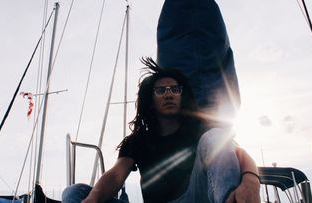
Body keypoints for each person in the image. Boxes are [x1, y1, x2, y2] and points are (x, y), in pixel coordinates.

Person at [62, 58, 260, 203]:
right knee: (75, 192)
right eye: (161, 90)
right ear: (151, 99)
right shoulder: (138, 140)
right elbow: (115, 175)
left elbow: (237, 153)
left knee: (216, 136)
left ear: (182, 96)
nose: (169, 94)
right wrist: (93, 199)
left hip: (194, 197)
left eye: (175, 89)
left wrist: (251, 180)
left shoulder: (200, 129)